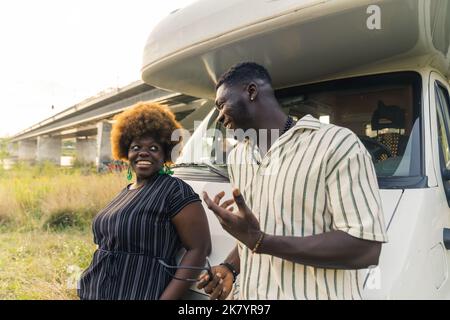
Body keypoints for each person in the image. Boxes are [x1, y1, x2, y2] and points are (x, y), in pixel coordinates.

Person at [197, 62, 388, 300]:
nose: (219, 117)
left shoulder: (336, 144)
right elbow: (257, 232)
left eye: (221, 105)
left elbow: (365, 249)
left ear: (252, 91)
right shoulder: (238, 157)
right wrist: (230, 267)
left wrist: (261, 242)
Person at [78, 102, 211, 300]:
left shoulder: (174, 191)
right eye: (136, 147)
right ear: (125, 151)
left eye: (154, 148)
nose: (143, 152)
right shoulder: (125, 192)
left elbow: (200, 249)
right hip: (95, 292)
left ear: (166, 153)